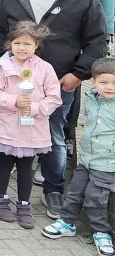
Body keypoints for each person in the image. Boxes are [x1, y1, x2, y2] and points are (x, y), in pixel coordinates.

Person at [0, 0, 108, 217]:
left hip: (57, 83)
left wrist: (78, 74)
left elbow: (96, 39)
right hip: (13, 83)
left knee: (54, 137)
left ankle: (53, 190)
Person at [0, 22, 61, 228]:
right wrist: (14, 101)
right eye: (17, 42)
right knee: (4, 163)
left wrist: (35, 108)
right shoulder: (1, 66)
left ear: (36, 45)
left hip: (32, 128)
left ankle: (24, 204)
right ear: (10, 44)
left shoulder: (45, 69)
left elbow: (54, 98)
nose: (21, 47)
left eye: (27, 43)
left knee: (26, 166)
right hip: (7, 126)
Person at [41, 57, 115, 256]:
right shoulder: (92, 96)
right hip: (87, 159)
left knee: (95, 198)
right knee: (74, 191)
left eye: (114, 83)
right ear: (94, 82)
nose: (110, 87)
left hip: (107, 164)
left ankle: (101, 232)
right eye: (104, 82)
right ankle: (67, 222)